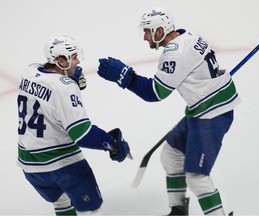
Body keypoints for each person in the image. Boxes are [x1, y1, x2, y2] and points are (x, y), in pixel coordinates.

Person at [96, 8, 240, 216]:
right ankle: (178, 210)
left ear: (161, 30)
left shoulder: (174, 53)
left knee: (196, 176)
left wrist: (126, 78)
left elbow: (155, 93)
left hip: (212, 113)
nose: (145, 37)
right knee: (171, 155)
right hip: (202, 107)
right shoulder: (188, 35)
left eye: (148, 32)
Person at [17, 35, 131, 215]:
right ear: (60, 60)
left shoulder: (29, 71)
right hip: (62, 164)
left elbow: (47, 97)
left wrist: (71, 82)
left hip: (30, 165)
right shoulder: (64, 88)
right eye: (73, 57)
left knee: (62, 203)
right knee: (91, 210)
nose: (77, 61)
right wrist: (112, 144)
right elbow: (82, 134)